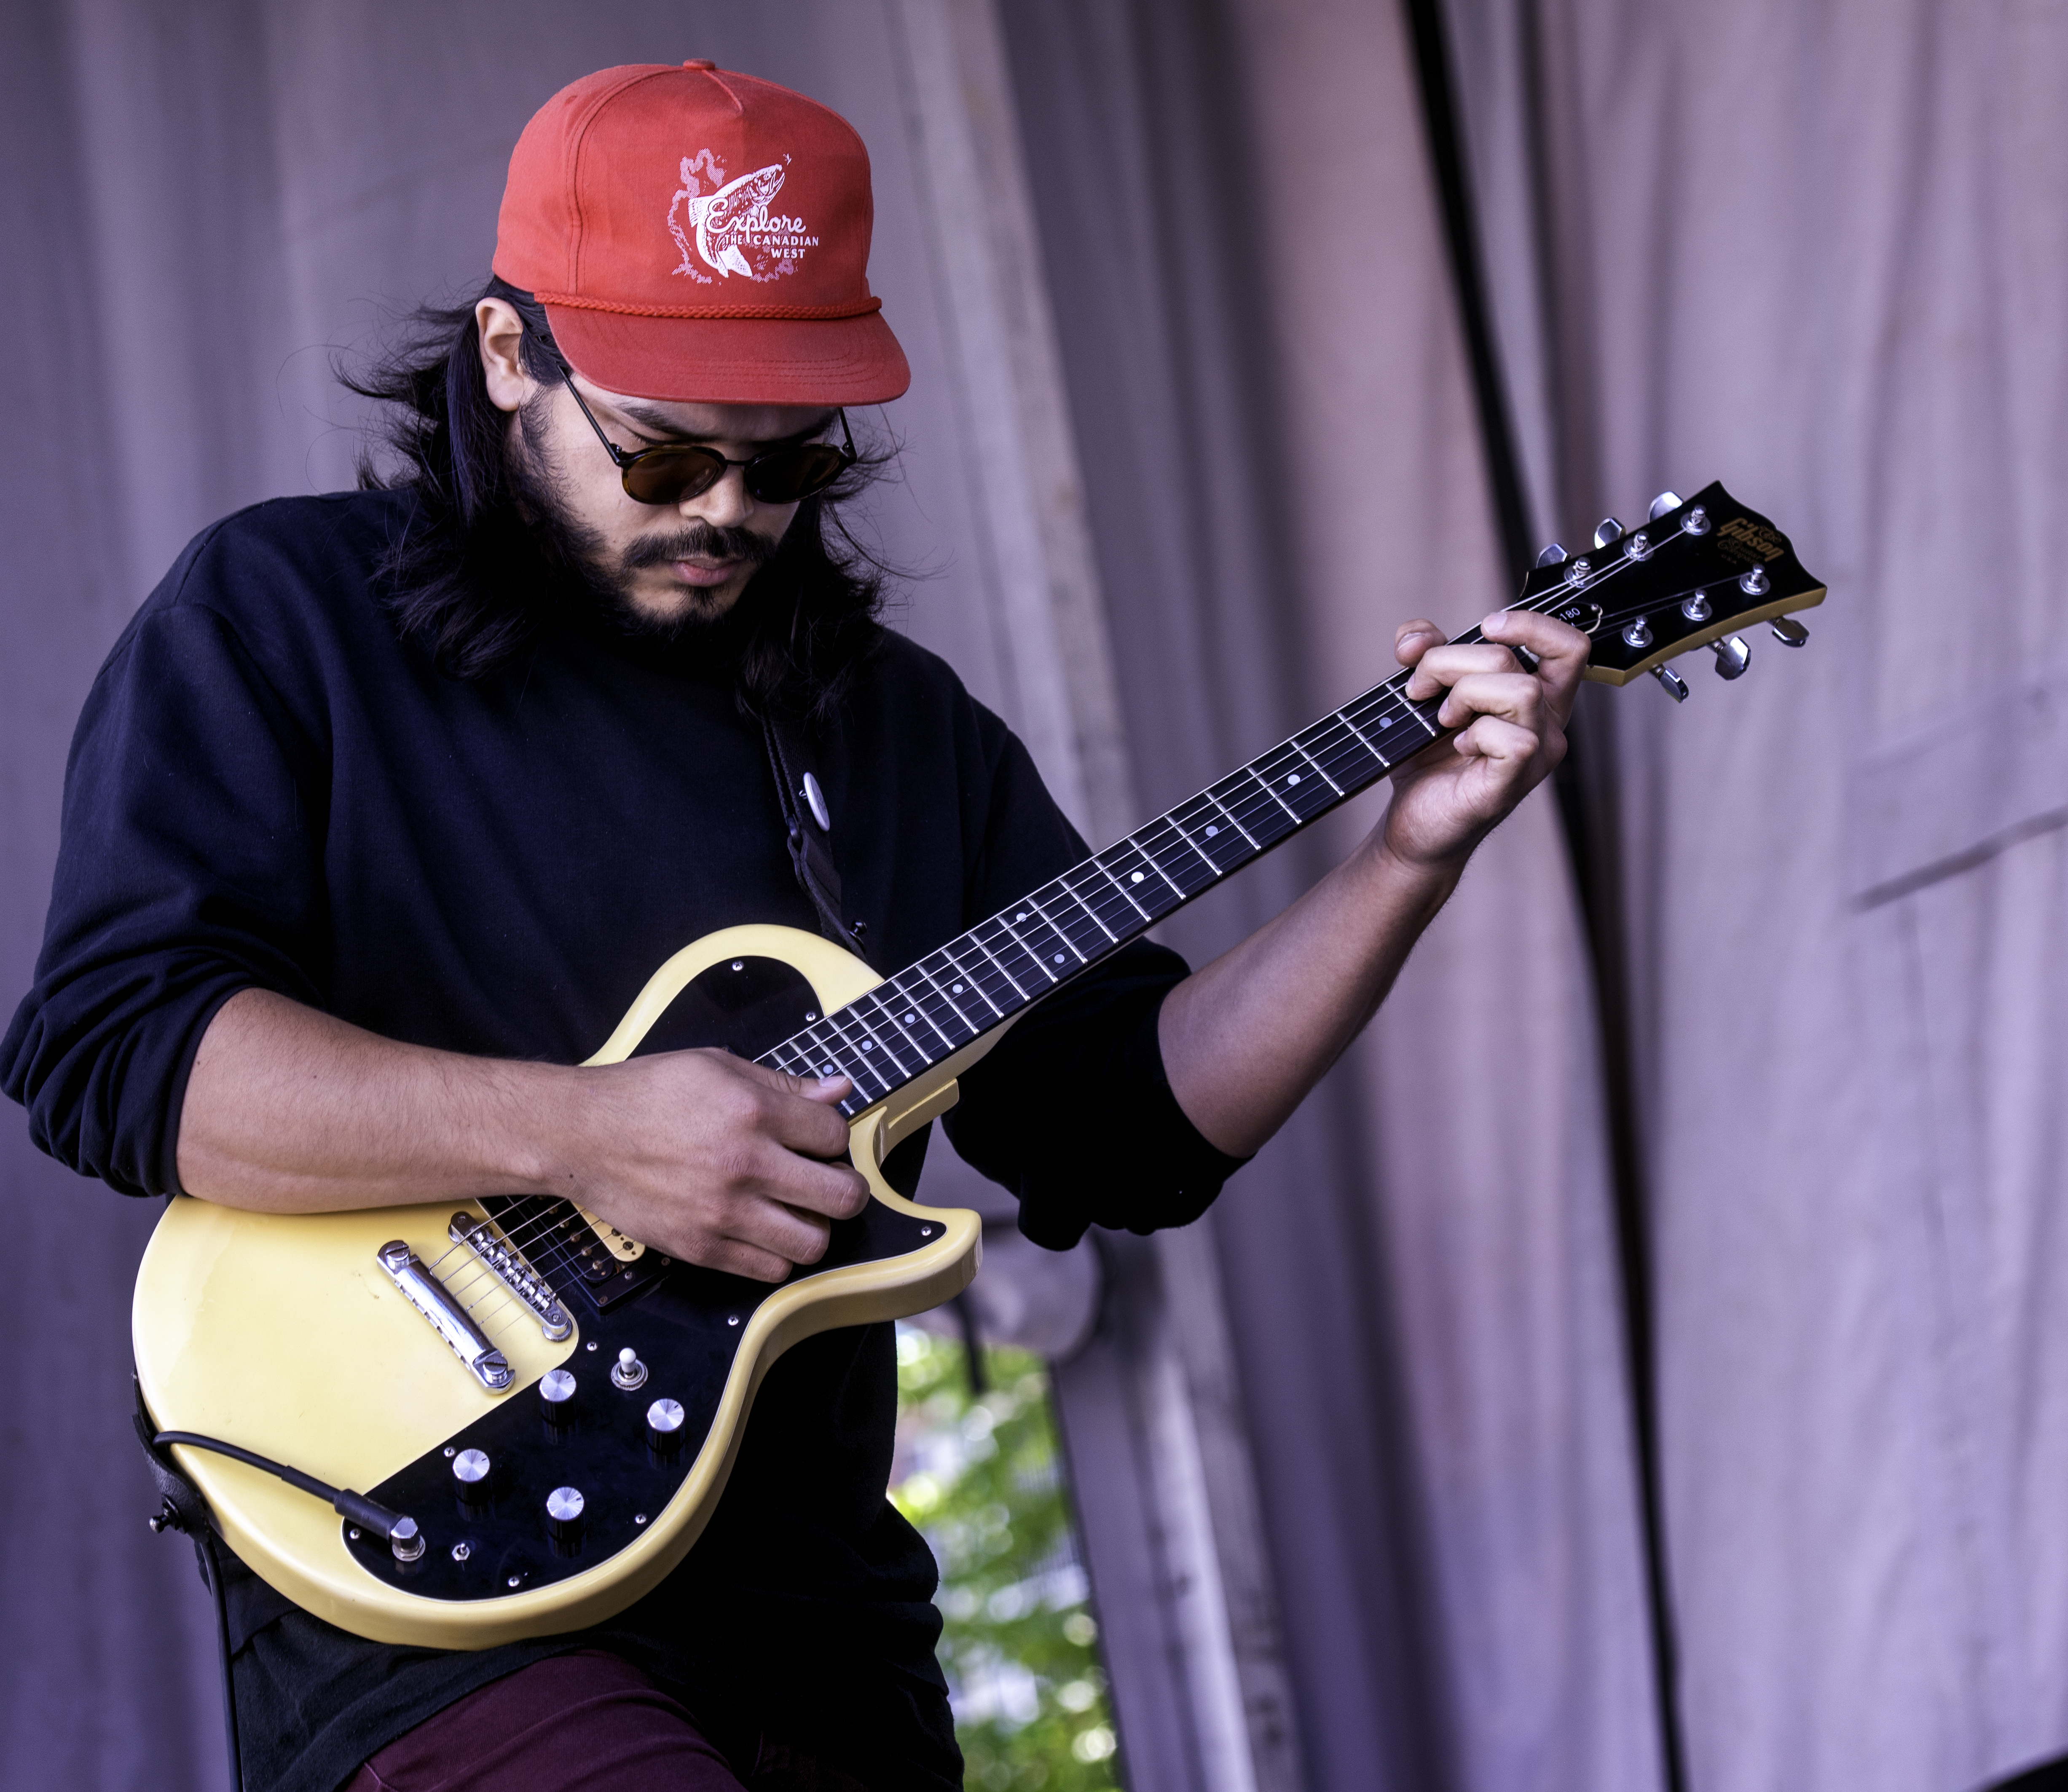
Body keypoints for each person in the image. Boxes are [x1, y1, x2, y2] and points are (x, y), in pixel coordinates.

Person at [1, 61, 1585, 1792]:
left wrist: (1405, 858)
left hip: (815, 1620)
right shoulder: (284, 615)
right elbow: (121, 1051)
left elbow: (1126, 1126)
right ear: (510, 354)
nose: (726, 514)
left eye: (785, 465)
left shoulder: (890, 725)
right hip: (435, 1585)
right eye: (666, 450)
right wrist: (591, 1133)